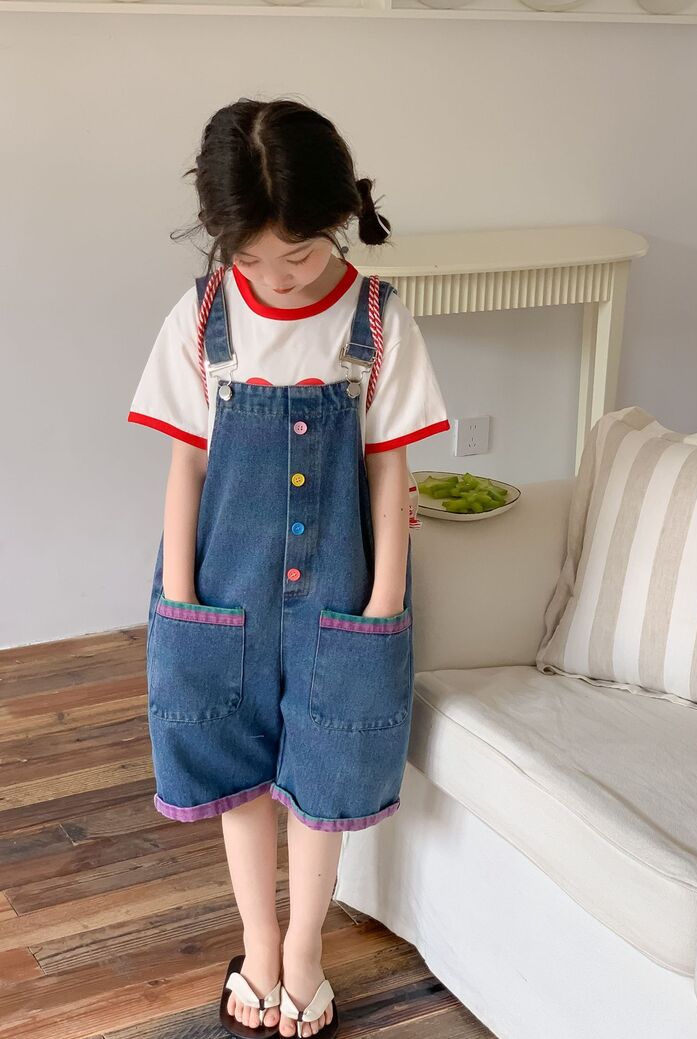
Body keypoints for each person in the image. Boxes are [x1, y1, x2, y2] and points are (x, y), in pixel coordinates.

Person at [126, 97, 450, 1039]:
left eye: (299, 255)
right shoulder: (203, 316)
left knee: (325, 764)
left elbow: (389, 469)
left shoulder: (378, 321)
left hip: (342, 590)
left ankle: (304, 950)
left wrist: (384, 599)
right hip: (219, 585)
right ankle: (258, 942)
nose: (276, 275)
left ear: (339, 217)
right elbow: (186, 463)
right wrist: (180, 597)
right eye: (252, 257)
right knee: (232, 761)